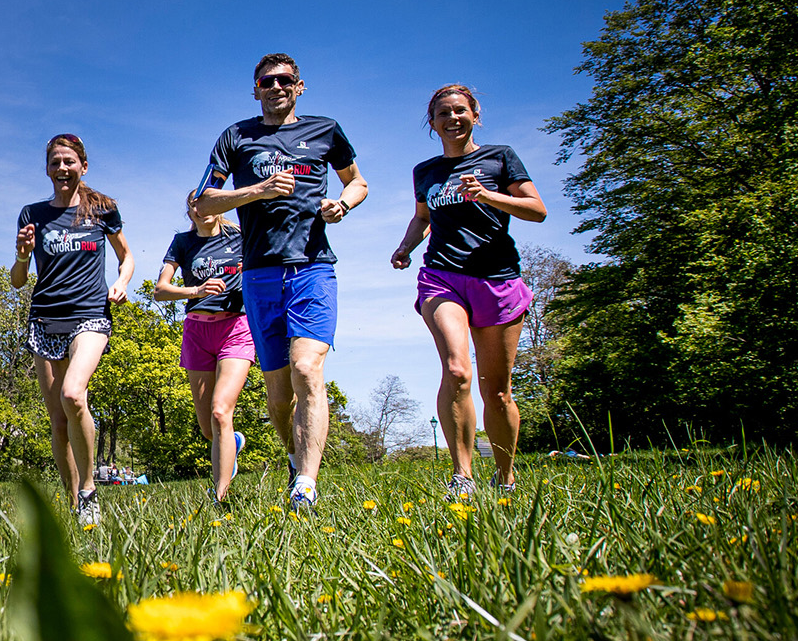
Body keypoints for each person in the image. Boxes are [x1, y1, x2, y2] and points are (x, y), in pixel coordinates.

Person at [196, 53, 366, 511]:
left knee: (307, 368)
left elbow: (357, 182)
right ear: (256, 90)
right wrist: (258, 190)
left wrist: (344, 204)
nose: (276, 87)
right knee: (277, 393)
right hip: (259, 273)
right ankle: (294, 458)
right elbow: (204, 202)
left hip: (313, 265)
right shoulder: (236, 136)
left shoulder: (326, 130)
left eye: (284, 80)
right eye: (266, 81)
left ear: (299, 86)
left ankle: (306, 486)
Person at [390, 84, 546, 495]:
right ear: (433, 124)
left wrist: (489, 195)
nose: (453, 118)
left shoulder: (501, 157)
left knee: (497, 390)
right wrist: (407, 246)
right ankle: (462, 477)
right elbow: (422, 217)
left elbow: (537, 210)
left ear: (475, 115)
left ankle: (506, 476)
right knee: (458, 370)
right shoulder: (425, 172)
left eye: (460, 111)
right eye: (443, 113)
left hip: (497, 279)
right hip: (442, 276)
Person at [13, 133, 135, 527]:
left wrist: (121, 282)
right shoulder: (32, 214)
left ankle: (88, 491)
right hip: (45, 319)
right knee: (59, 422)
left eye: (69, 161)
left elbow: (126, 256)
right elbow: (18, 280)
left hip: (91, 315)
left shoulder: (102, 209)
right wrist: (22, 255)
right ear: (46, 169)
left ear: (83, 165)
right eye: (55, 162)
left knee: (73, 394)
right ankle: (73, 504)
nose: (62, 168)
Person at [154, 194, 253, 504]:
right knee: (209, 426)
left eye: (208, 203)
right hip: (197, 330)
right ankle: (232, 444)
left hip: (235, 327)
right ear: (189, 211)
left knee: (221, 410)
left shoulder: (240, 235)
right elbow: (160, 290)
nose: (202, 210)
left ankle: (219, 496)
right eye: (195, 205)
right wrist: (195, 290)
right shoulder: (182, 242)